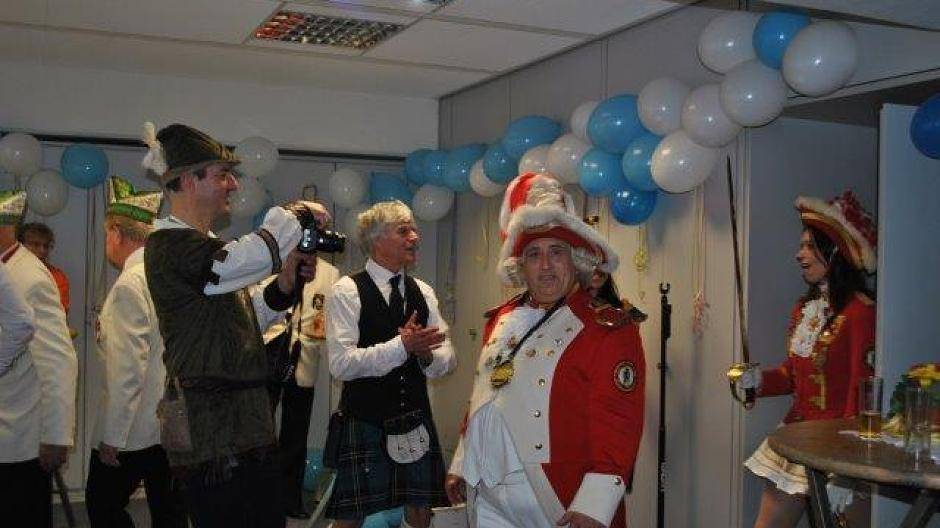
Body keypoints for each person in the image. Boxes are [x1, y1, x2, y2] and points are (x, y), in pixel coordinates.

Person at [140, 122, 326, 528]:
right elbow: (243, 259)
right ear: (190, 180)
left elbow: (242, 319)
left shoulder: (204, 248)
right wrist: (293, 214)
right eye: (222, 174)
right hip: (212, 434)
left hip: (245, 427)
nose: (233, 185)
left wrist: (285, 283)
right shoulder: (169, 246)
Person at [445, 173, 646, 528]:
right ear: (521, 266)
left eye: (557, 252)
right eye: (534, 255)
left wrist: (596, 501)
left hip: (557, 493)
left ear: (576, 260)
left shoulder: (608, 328)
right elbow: (482, 393)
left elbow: (618, 420)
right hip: (488, 491)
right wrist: (463, 462)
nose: (546, 265)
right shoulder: (503, 318)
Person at [732, 191, 877, 528]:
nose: (799, 255)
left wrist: (847, 471)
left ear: (836, 251)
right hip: (797, 439)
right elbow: (793, 375)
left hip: (841, 449)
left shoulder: (861, 312)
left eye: (809, 246)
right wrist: (759, 380)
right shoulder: (804, 309)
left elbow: (861, 393)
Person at [324, 200, 456, 528]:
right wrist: (401, 347)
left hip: (415, 418)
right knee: (351, 517)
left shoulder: (423, 291)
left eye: (414, 230)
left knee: (421, 512)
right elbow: (341, 364)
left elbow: (447, 358)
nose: (415, 237)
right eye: (403, 231)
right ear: (376, 239)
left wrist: (426, 354)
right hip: (365, 418)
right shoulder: (347, 290)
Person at [85, 177, 187, 527]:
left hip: (134, 430)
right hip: (169, 425)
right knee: (169, 512)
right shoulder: (167, 275)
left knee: (102, 506)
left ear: (116, 233)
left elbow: (127, 369)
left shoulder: (130, 285)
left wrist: (112, 437)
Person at [0, 189, 78, 528]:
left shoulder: (29, 276)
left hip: (20, 437)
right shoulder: (7, 268)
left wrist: (57, 435)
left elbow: (59, 359)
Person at [264, 256, 340, 519]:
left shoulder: (330, 273)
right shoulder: (273, 259)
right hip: (269, 354)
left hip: (306, 358)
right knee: (260, 431)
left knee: (296, 433)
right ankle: (260, 496)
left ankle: (290, 498)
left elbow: (328, 317)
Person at [17, 221, 71, 315]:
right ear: (20, 245)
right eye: (35, 244)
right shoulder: (9, 270)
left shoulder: (57, 276)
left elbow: (59, 312)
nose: (42, 250)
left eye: (46, 246)